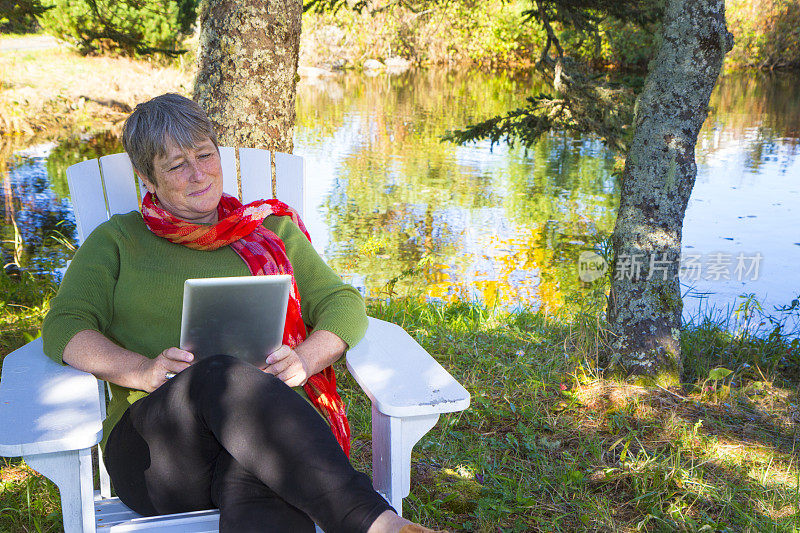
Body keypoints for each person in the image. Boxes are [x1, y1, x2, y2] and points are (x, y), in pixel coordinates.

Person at [42, 93, 446, 533]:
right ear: (148, 179)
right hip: (156, 452)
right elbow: (65, 327)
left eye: (205, 154)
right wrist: (141, 370)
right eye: (177, 165)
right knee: (220, 374)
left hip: (266, 435)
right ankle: (376, 523)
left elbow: (342, 304)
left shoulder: (269, 232)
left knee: (259, 472)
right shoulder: (117, 240)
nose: (199, 174)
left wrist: (306, 359)